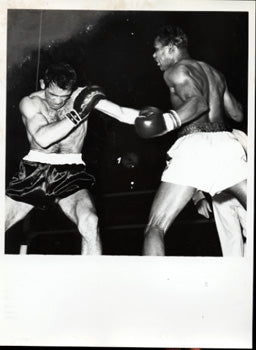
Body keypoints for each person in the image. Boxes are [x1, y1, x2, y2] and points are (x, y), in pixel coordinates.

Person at [90, 24, 247, 255]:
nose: (154, 56)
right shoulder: (215, 73)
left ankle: (155, 286)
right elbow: (237, 114)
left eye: (157, 49)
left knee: (155, 227)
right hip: (227, 144)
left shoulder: (175, 70)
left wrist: (168, 122)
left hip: (195, 146)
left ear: (172, 48)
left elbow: (198, 103)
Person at [5, 62, 107, 255]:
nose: (59, 101)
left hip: (71, 170)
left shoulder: (81, 96)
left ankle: (94, 279)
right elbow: (43, 139)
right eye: (53, 95)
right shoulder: (31, 102)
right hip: (35, 170)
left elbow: (120, 112)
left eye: (64, 96)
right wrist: (77, 115)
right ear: (43, 84)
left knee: (90, 222)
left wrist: (169, 119)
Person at [193, 129, 247, 257]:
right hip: (220, 195)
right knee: (230, 244)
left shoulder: (237, 134)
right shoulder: (200, 138)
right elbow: (190, 165)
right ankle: (234, 273)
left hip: (243, 188)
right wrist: (198, 196)